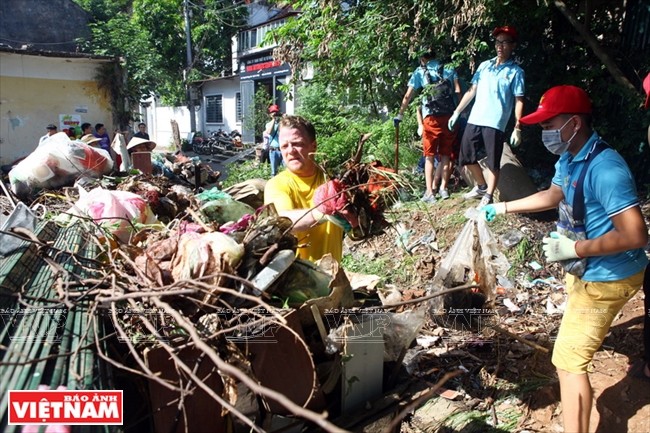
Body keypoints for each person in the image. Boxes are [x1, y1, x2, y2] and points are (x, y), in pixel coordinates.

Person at [480, 85, 648, 433]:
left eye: (547, 125)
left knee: (568, 362)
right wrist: (502, 206)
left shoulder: (605, 168)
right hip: (587, 270)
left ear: (573, 123)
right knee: (573, 350)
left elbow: (635, 235)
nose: (543, 133)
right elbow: (553, 194)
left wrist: (575, 249)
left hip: (608, 277)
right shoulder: (571, 156)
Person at [448, 26, 525, 207]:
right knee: (465, 156)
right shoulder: (485, 66)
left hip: (495, 121)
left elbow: (519, 100)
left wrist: (517, 127)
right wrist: (457, 111)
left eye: (505, 42)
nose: (500, 46)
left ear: (512, 46)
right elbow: (472, 90)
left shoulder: (516, 72)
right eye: (498, 41)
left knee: (493, 160)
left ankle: (488, 195)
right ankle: (481, 186)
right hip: (476, 117)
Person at [264, 115, 356, 263]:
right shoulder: (277, 184)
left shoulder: (332, 180)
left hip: (332, 278)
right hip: (298, 280)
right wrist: (321, 214)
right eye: (284, 146)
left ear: (313, 146)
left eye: (297, 143)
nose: (291, 151)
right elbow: (281, 222)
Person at [395, 48, 461, 203]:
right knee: (446, 154)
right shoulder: (448, 68)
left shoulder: (420, 71)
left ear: (422, 58)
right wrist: (460, 111)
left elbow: (408, 95)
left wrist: (400, 114)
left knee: (429, 156)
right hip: (449, 116)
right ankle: (444, 189)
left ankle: (430, 192)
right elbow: (457, 90)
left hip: (430, 118)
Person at [264, 105, 283, 176]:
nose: (275, 114)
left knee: (286, 171)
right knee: (274, 172)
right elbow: (269, 132)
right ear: (270, 115)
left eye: (276, 112)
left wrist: (284, 118)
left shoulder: (283, 123)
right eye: (273, 112)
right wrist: (274, 120)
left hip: (283, 150)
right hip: (273, 151)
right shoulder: (268, 124)